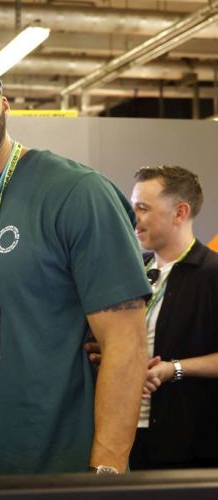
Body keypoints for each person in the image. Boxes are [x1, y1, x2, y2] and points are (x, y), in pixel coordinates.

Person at [0, 44, 151, 476]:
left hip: (61, 465)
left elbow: (127, 344)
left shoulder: (77, 192)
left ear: (4, 103)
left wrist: (107, 472)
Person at [128, 165, 218, 469]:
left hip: (187, 446)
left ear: (180, 212)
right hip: (125, 435)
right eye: (132, 208)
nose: (133, 218)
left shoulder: (211, 274)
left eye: (142, 208)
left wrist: (173, 369)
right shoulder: (130, 271)